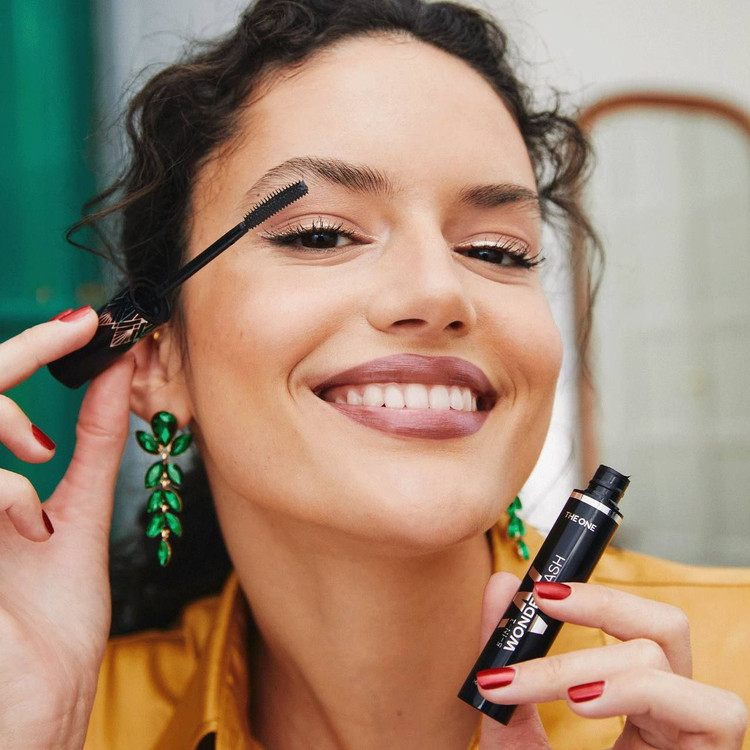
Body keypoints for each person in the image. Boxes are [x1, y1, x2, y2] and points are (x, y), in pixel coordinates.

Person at [1, 1, 748, 748]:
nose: (437, 292)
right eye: (320, 235)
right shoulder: (68, 714)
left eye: (496, 251)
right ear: (159, 359)